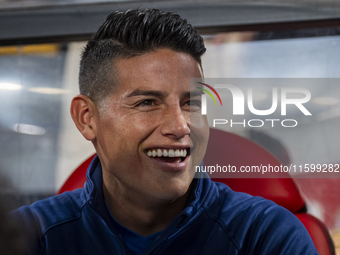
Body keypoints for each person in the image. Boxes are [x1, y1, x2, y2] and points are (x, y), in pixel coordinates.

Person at [11, 9, 318, 255]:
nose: (180, 125)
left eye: (191, 103)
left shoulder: (266, 236)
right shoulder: (28, 237)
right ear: (87, 118)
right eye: (147, 102)